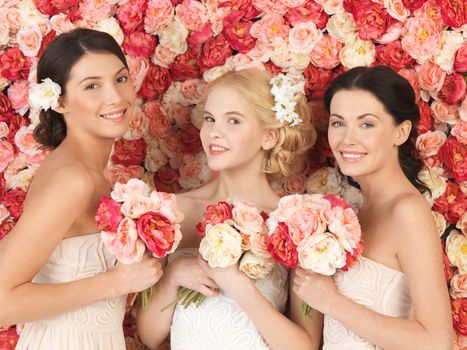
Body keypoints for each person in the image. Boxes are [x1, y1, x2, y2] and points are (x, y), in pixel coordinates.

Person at [0, 28, 163, 350]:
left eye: (120, 79)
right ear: (59, 101)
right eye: (92, 86)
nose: (115, 97)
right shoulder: (72, 180)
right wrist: (115, 283)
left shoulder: (92, 174)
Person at [137, 68, 320, 350]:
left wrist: (240, 289)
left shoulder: (295, 224)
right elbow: (150, 337)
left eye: (233, 120)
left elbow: (304, 346)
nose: (214, 133)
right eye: (210, 119)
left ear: (269, 137)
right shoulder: (174, 212)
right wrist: (173, 278)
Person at [292, 66, 453, 349]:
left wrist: (332, 302)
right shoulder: (349, 214)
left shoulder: (407, 212)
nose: (347, 139)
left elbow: (437, 342)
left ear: (400, 132)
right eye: (339, 123)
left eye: (367, 124)